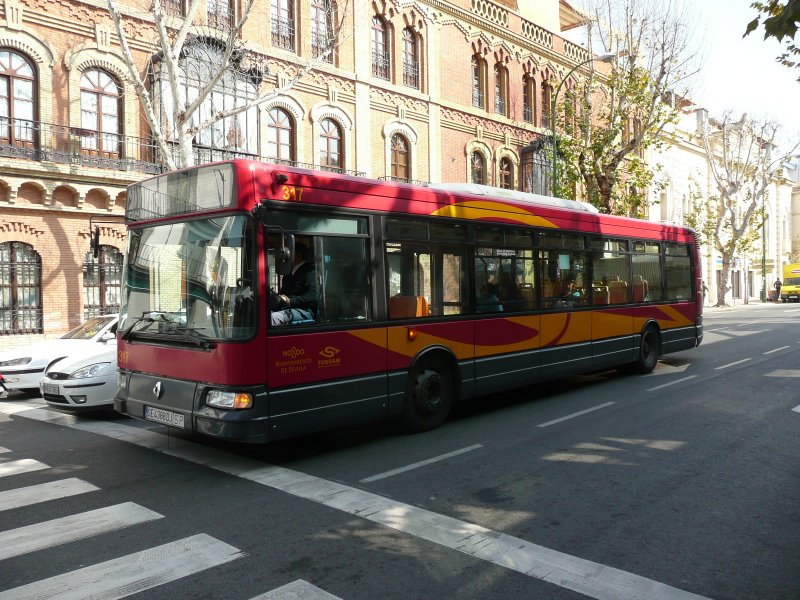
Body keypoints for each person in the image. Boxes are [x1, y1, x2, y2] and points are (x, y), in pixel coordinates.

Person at [270, 241, 318, 325]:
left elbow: (313, 295)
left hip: (304, 310)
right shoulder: (288, 274)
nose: (284, 258)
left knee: (272, 318)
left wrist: (290, 300)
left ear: (298, 255)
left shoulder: (310, 271)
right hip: (286, 308)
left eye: (287, 254)